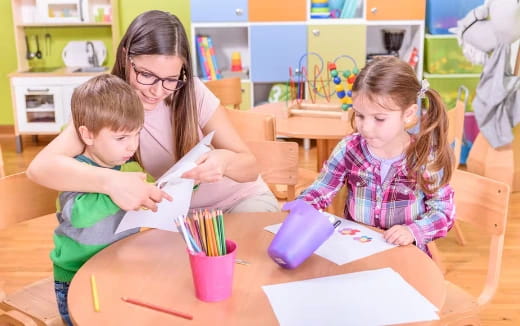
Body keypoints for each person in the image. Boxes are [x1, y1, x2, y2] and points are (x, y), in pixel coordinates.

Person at [26, 10, 279, 213]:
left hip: (241, 202)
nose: (157, 91)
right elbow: (41, 167)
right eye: (146, 75)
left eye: (170, 79)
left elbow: (250, 168)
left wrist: (225, 162)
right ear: (126, 57)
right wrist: (109, 181)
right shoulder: (105, 103)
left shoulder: (191, 91)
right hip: (181, 219)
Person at [298, 57, 455, 254]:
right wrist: (303, 205)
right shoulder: (350, 148)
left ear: (407, 114)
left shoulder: (424, 156)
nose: (365, 127)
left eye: (379, 118)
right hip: (355, 249)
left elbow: (444, 212)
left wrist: (413, 231)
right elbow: (322, 189)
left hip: (405, 253)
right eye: (360, 115)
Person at [51, 74, 149, 325]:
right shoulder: (72, 171)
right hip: (76, 276)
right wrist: (120, 194)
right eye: (121, 138)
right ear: (88, 134)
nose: (132, 146)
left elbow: (148, 197)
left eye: (136, 134)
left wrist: (182, 184)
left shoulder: (127, 167)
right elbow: (79, 215)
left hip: (120, 269)